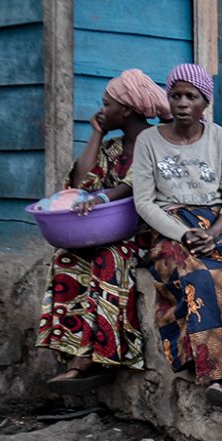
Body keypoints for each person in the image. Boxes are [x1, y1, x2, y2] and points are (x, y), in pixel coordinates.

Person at [132, 63, 222, 422]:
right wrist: (182, 234)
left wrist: (214, 232)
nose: (182, 103)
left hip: (213, 225)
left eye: (192, 96)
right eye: (176, 95)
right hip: (167, 228)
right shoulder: (148, 142)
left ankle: (216, 374)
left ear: (205, 102)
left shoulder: (221, 139)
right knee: (198, 278)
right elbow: (144, 202)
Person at [39, 69, 170, 393]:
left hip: (147, 234)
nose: (101, 110)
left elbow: (134, 185)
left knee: (107, 258)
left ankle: (104, 355)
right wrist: (95, 134)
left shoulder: (157, 142)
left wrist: (101, 197)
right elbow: (81, 185)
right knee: (66, 259)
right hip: (110, 230)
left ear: (126, 109)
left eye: (106, 104)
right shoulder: (111, 148)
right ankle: (75, 351)